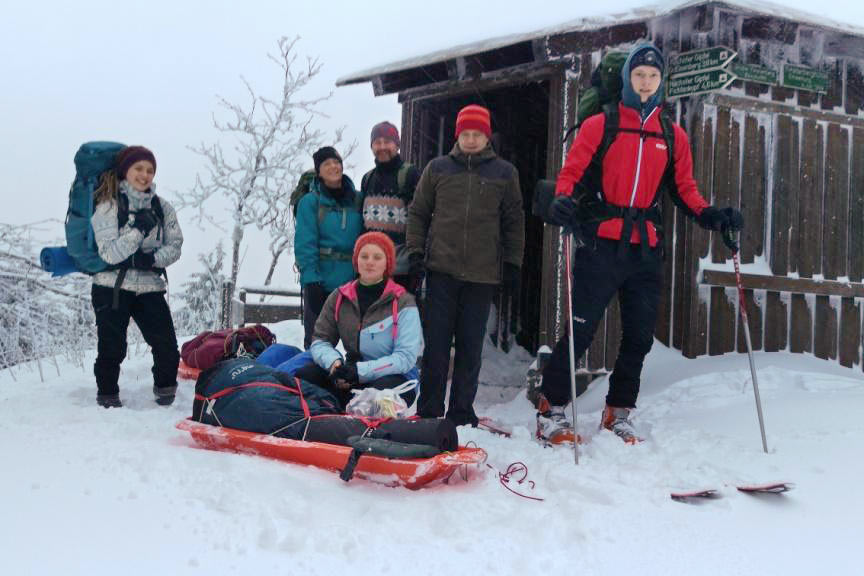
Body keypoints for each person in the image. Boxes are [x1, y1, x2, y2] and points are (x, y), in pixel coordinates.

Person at [537, 43, 744, 444]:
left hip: (644, 249)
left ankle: (618, 412)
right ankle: (552, 408)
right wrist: (562, 200)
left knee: (639, 336)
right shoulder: (602, 124)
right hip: (600, 243)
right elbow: (572, 171)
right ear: (628, 79)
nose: (646, 83)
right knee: (582, 330)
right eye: (639, 76)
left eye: (653, 77)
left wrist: (712, 215)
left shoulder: (672, 133)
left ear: (660, 82)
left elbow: (685, 189)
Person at [406, 104, 525, 426]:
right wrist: (416, 252)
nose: (471, 140)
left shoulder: (504, 173)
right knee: (436, 347)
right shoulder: (438, 169)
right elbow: (418, 213)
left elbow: (514, 220)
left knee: (471, 348)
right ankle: (429, 409)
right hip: (441, 271)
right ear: (458, 135)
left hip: (482, 275)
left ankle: (461, 411)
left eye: (478, 134)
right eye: (466, 134)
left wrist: (513, 263)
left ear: (487, 137)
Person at [91, 146, 183, 408]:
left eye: (150, 170)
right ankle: (107, 398)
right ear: (125, 171)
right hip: (111, 287)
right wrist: (138, 229)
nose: (145, 175)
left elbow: (175, 246)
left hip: (149, 286)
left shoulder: (163, 207)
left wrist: (151, 259)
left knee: (166, 346)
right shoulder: (108, 205)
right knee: (112, 348)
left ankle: (166, 395)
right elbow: (109, 253)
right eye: (138, 169)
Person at [304, 232, 423, 408]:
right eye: (364, 256)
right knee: (306, 375)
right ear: (356, 261)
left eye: (377, 257)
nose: (369, 262)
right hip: (350, 373)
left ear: (387, 264)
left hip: (391, 376)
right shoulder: (339, 297)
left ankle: (351, 413)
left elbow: (405, 357)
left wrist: (360, 372)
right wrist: (335, 365)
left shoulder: (404, 302)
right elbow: (320, 340)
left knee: (379, 396)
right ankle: (326, 414)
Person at [294, 146, 364, 349]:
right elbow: (304, 243)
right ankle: (313, 380)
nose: (333, 166)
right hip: (321, 283)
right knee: (318, 343)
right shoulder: (310, 202)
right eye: (326, 164)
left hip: (352, 285)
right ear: (318, 171)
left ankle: (352, 380)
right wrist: (311, 281)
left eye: (336, 162)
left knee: (357, 345)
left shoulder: (358, 199)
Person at [360, 121, 421, 292]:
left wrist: (417, 259)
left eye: (387, 142)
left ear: (397, 145)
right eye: (377, 143)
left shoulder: (410, 175)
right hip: (372, 268)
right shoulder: (367, 179)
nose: (382, 147)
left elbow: (421, 217)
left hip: (401, 269)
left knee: (399, 316)